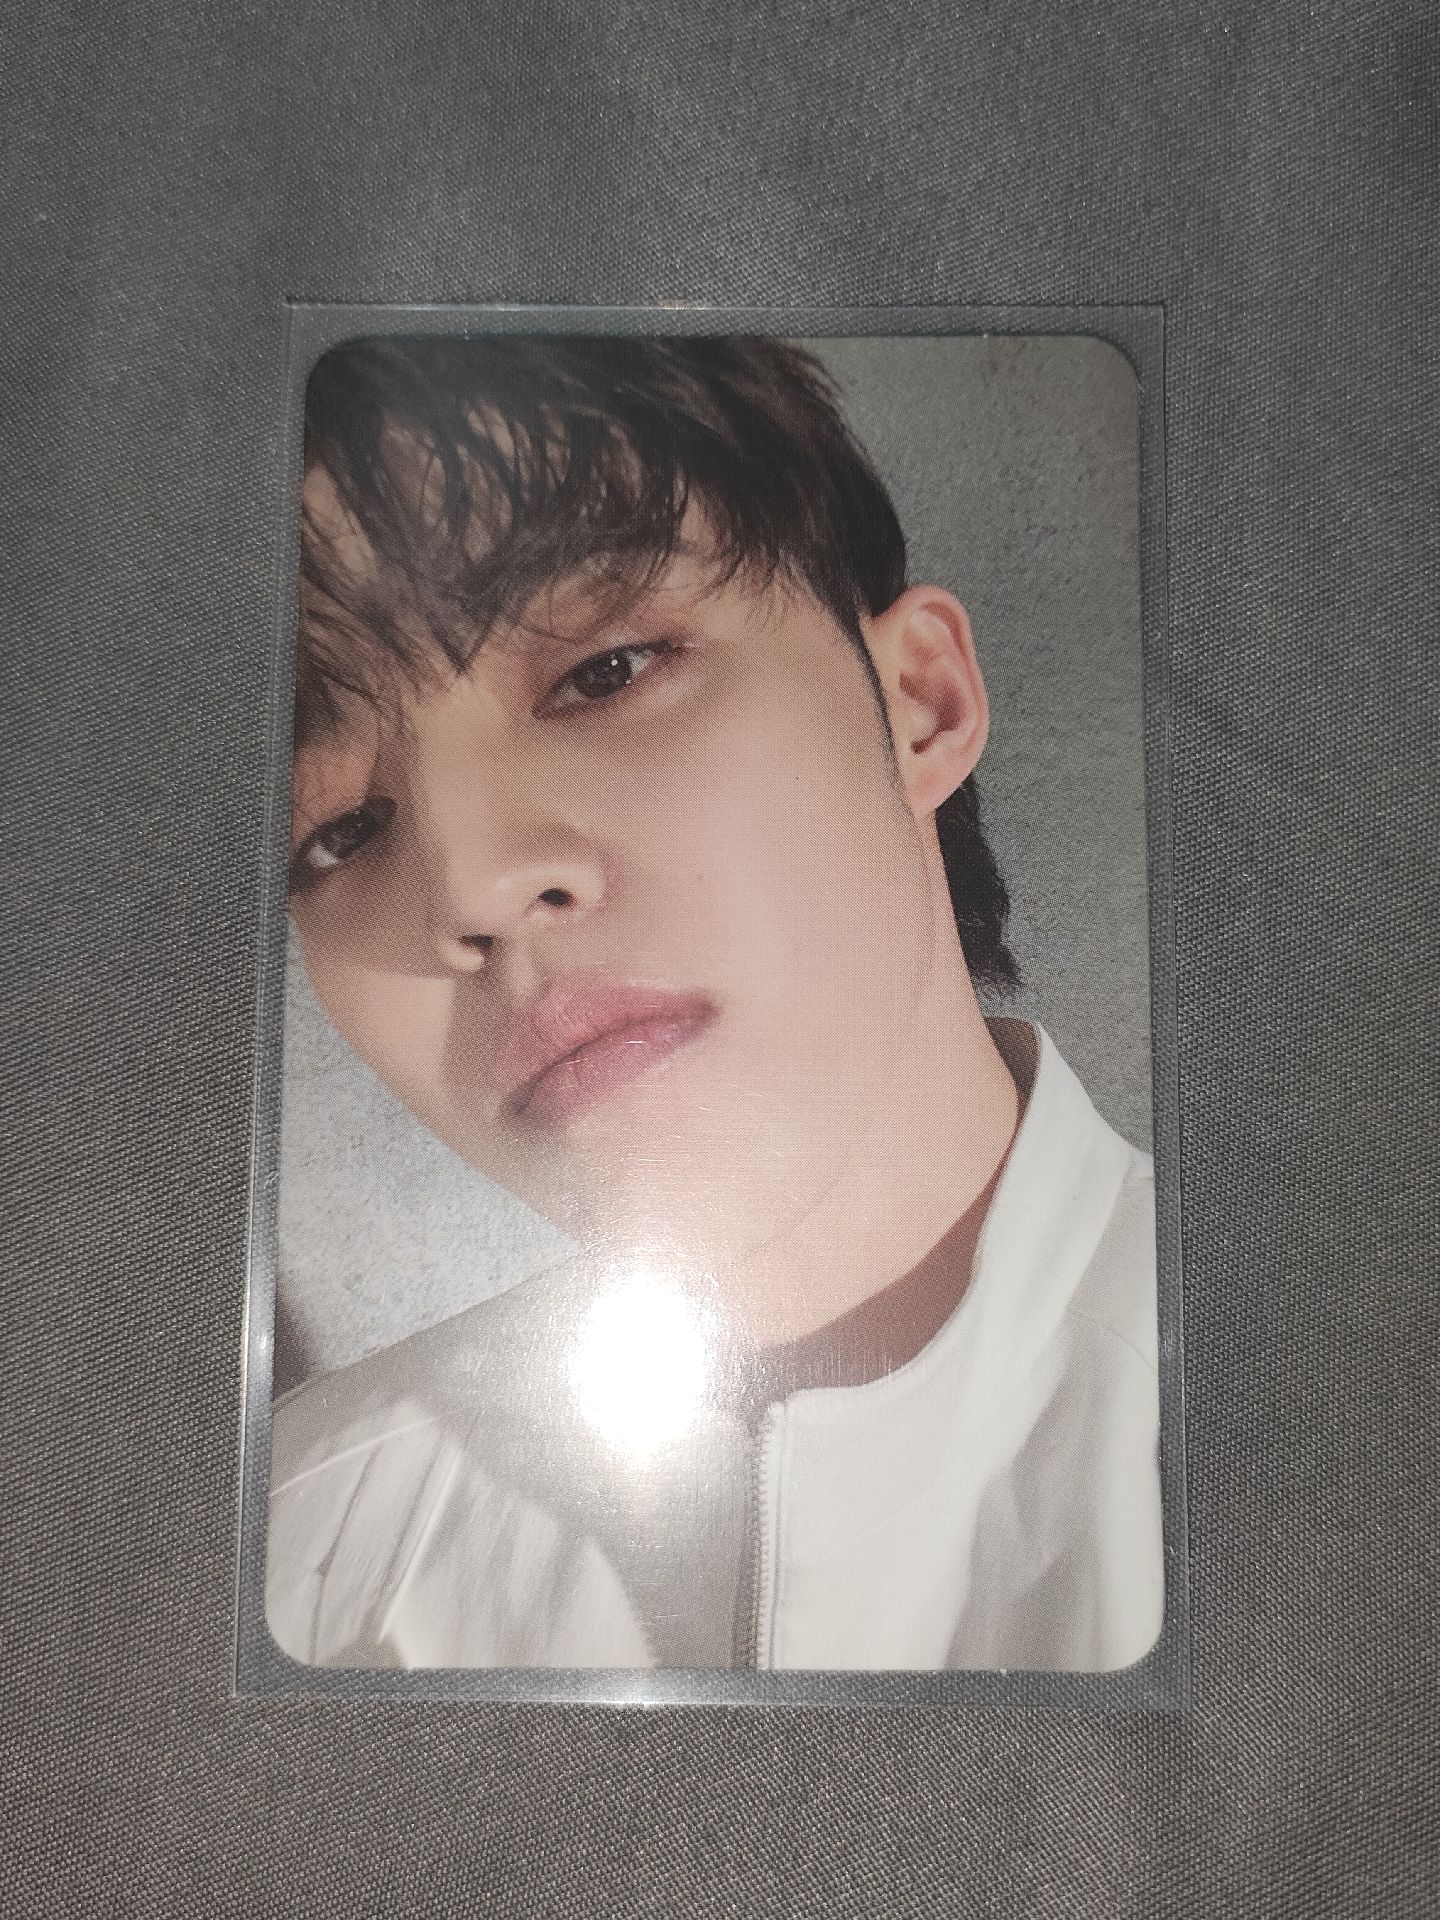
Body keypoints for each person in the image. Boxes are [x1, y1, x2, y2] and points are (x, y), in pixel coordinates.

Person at [266, 334, 1164, 1673]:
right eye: (338, 833)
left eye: (607, 671)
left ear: (919, 704)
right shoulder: (290, 1554)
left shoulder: (1351, 1428)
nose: (477, 887)